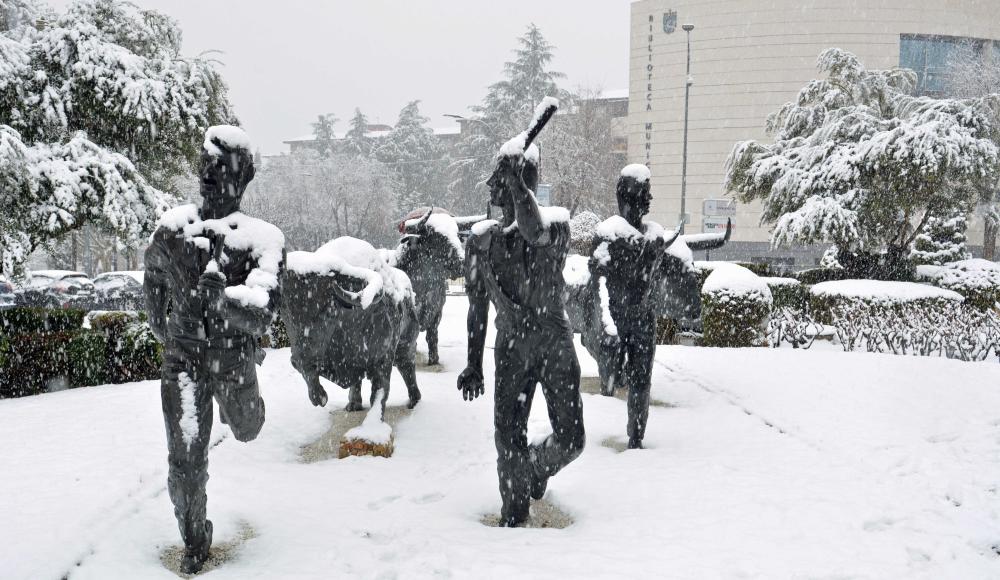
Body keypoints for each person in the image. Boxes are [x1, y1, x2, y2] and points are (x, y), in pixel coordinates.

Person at [144, 126, 284, 573]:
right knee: (185, 457)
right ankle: (194, 538)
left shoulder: (262, 239)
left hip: (232, 356)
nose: (209, 175)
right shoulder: (173, 229)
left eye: (221, 168)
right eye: (205, 165)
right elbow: (152, 273)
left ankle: (241, 408)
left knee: (246, 428)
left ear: (243, 177)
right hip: (183, 358)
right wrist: (161, 322)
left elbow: (264, 311)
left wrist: (224, 302)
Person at [457, 142, 585, 527]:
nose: (491, 186)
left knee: (572, 441)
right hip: (512, 348)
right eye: (498, 178)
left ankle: (533, 467)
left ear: (521, 183)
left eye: (501, 178)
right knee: (507, 436)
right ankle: (513, 516)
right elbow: (477, 307)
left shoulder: (556, 226)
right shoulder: (480, 243)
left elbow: (534, 232)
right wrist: (473, 363)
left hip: (554, 344)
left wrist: (517, 186)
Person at [590, 165, 673, 449]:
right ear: (628, 196)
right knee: (615, 375)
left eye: (649, 192)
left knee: (642, 379)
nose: (649, 199)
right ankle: (617, 376)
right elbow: (597, 275)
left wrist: (650, 256)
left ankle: (636, 435)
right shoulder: (609, 234)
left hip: (643, 319)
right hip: (615, 317)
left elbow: (647, 285)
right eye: (644, 193)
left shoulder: (654, 236)